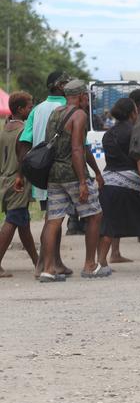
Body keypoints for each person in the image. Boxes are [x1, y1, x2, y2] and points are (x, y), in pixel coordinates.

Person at [42, 79, 106, 282]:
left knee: (54, 220)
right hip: (72, 174)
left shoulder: (55, 114)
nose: (87, 100)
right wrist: (82, 182)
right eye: (86, 96)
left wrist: (96, 170)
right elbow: (78, 149)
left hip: (54, 174)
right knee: (94, 215)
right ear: (81, 96)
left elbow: (83, 148)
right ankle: (90, 265)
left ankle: (48, 269)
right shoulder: (79, 115)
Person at [16, 71, 73, 278]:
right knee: (54, 219)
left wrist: (22, 173)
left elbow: (24, 141)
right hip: (60, 170)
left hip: (40, 172)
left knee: (53, 217)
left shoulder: (37, 109)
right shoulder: (69, 109)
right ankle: (45, 265)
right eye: (67, 82)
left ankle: (53, 263)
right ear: (59, 86)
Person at [96, 98, 140, 273]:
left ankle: (101, 263)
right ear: (133, 113)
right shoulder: (135, 132)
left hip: (109, 184)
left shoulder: (107, 134)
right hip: (132, 184)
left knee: (108, 225)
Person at [0, 92, 39, 277]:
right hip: (18, 181)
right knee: (13, 220)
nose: (31, 110)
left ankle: (37, 261)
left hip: (5, 180)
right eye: (29, 107)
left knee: (23, 223)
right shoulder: (24, 130)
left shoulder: (5, 127)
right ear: (20, 109)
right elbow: (23, 158)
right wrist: (20, 178)